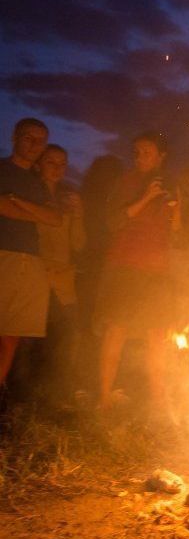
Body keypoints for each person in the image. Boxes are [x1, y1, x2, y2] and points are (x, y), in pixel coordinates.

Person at [94, 133, 182, 417]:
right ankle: (104, 398)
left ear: (161, 156)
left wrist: (175, 209)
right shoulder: (126, 181)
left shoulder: (169, 186)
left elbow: (176, 232)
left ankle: (158, 401)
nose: (139, 156)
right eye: (136, 151)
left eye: (146, 152)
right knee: (116, 330)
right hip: (125, 266)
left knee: (156, 336)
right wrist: (146, 197)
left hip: (157, 272)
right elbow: (112, 221)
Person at [0, 118, 59, 399]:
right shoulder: (2, 169)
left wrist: (19, 201)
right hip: (3, 255)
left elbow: (55, 218)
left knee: (12, 333)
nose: (36, 145)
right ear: (15, 137)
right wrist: (34, 212)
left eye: (41, 141)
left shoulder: (37, 182)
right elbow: (3, 208)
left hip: (30, 259)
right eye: (29, 138)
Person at [34, 144, 86, 394]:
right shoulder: (31, 194)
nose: (57, 169)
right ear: (39, 163)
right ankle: (21, 393)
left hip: (63, 279)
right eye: (51, 163)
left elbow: (78, 243)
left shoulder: (68, 198)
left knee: (70, 333)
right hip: (34, 275)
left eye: (62, 164)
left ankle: (58, 390)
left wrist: (78, 214)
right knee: (28, 337)